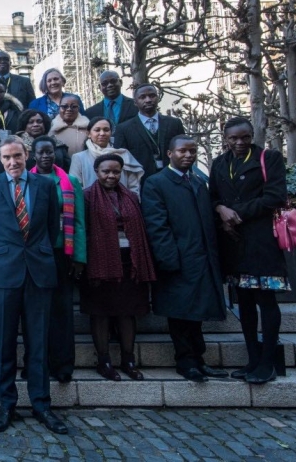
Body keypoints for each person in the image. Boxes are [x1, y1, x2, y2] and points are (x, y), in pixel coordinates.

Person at [0, 136, 67, 435]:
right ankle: (6, 404)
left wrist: (36, 254)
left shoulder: (45, 186)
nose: (13, 162)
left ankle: (41, 404)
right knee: (5, 343)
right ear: (0, 160)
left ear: (27, 155)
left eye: (17, 156)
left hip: (38, 271)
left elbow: (53, 227)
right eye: (7, 158)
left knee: (38, 341)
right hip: (4, 273)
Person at [210, 117, 290, 384]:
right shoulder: (220, 163)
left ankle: (268, 361)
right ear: (225, 137)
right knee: (243, 302)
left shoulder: (270, 158)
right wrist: (221, 210)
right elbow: (214, 198)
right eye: (233, 138)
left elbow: (275, 196)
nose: (239, 142)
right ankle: (252, 358)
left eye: (244, 137)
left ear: (252, 135)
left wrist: (235, 213)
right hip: (233, 242)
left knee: (265, 301)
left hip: (261, 240)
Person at [142, 136, 228, 382]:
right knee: (180, 313)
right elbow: (156, 225)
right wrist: (169, 259)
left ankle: (199, 359)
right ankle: (186, 361)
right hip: (177, 259)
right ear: (170, 153)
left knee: (197, 312)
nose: (188, 155)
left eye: (192, 151)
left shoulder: (199, 181)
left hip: (202, 258)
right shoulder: (156, 183)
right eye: (182, 151)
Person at [82, 154, 155, 382]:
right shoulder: (86, 197)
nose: (111, 176)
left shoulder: (131, 197)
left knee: (127, 312)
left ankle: (128, 359)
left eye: (115, 171)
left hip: (130, 261)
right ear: (96, 172)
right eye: (106, 171)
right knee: (101, 313)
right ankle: (104, 360)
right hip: (99, 262)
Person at [29, 136, 86, 382]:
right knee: (35, 312)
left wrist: (78, 257)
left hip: (62, 252)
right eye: (40, 152)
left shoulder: (70, 182)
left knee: (62, 311)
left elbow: (81, 222)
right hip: (34, 254)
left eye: (49, 152)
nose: (45, 156)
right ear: (33, 155)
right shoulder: (24, 180)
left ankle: (63, 365)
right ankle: (35, 363)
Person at [113, 84, 185, 179]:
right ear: (135, 102)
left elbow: (184, 150)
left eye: (152, 96)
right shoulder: (123, 129)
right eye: (142, 97)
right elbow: (121, 161)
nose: (148, 100)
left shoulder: (174, 123)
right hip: (142, 181)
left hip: (174, 179)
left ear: (158, 98)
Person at [69, 117, 144, 197]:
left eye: (106, 130)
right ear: (89, 134)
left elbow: (133, 187)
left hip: (122, 205)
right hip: (90, 205)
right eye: (97, 130)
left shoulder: (123, 155)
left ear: (111, 133)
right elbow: (76, 187)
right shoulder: (79, 158)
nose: (102, 133)